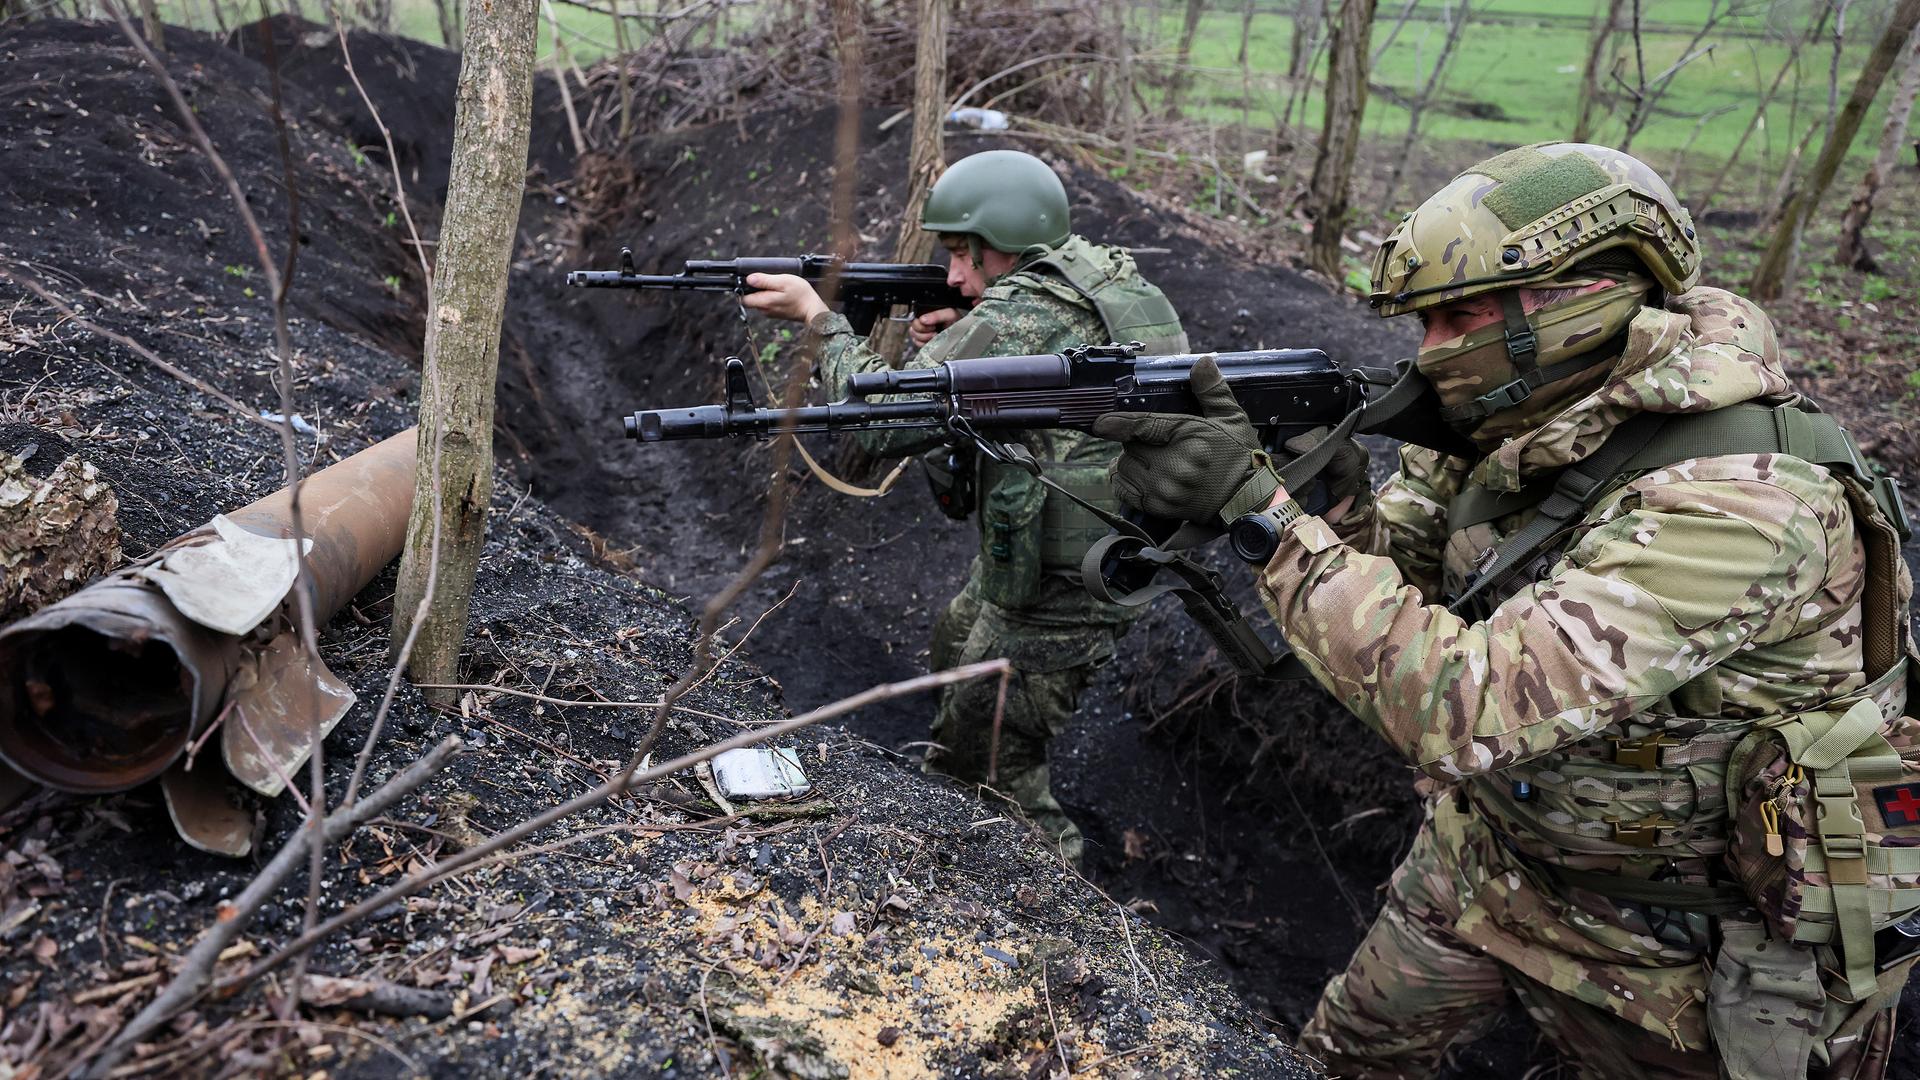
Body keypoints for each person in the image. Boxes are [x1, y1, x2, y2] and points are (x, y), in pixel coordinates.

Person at [1091, 142, 1919, 1077]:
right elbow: (1402, 587)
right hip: (1492, 860)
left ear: (1580, 297)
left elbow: (1463, 700)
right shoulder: (1512, 425)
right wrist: (1323, 496)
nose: (1429, 351)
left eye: (1460, 316)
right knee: (1334, 1061)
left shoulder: (1747, 500)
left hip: (1696, 947)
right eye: (1423, 322)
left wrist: (1264, 518)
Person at [742, 149, 1188, 864]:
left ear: (1005, 239)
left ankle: (1053, 907)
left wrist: (818, 318)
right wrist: (954, 344)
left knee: (988, 770)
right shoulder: (1097, 277)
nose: (952, 276)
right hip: (1078, 547)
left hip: (1068, 580)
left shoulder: (1025, 310)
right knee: (955, 642)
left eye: (961, 255)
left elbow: (881, 421)